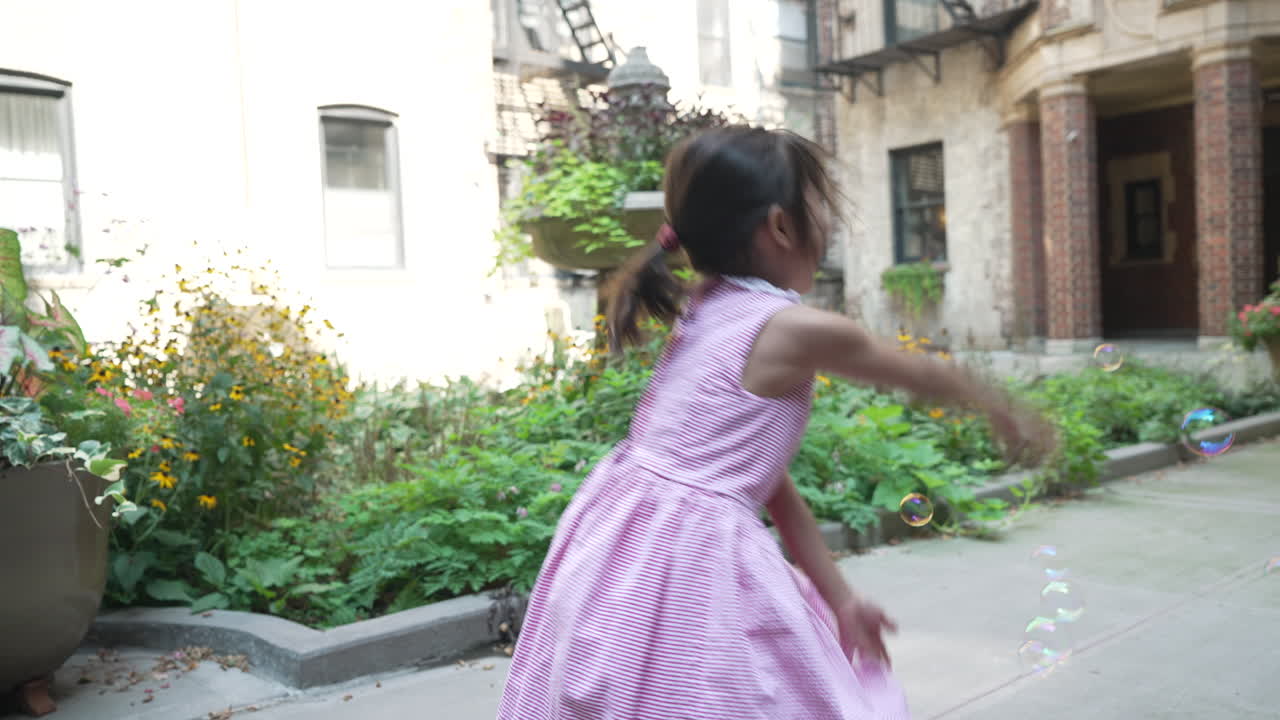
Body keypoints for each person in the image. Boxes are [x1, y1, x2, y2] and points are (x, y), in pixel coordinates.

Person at [496, 126, 1056, 719]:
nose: (830, 225)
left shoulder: (704, 309)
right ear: (782, 225)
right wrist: (1003, 408)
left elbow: (764, 484)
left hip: (621, 543)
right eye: (820, 206)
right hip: (690, 561)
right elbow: (914, 372)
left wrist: (840, 600)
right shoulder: (791, 328)